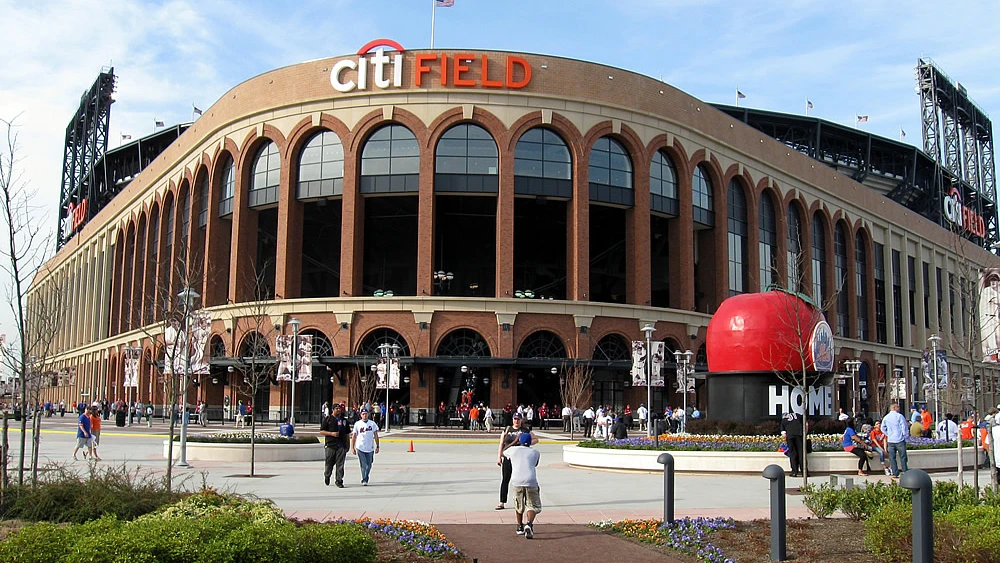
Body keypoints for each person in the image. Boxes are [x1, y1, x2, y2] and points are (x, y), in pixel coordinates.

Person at [503, 431, 541, 539]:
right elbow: (535, 464)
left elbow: (503, 451)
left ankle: (520, 526)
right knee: (532, 505)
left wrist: (514, 441)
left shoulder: (513, 450)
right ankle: (529, 523)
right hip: (531, 480)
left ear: (519, 441)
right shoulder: (535, 452)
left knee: (518, 504)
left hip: (517, 480)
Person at [496, 412, 537, 510]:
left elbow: (536, 439)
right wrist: (499, 456)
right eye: (515, 419)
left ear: (521, 420)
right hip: (508, 458)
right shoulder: (507, 429)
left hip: (519, 459)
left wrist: (526, 442)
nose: (516, 421)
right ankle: (502, 501)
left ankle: (525, 501)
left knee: (522, 479)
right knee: (505, 479)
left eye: (518, 419)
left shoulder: (524, 430)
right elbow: (501, 443)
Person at [319, 403, 350, 487]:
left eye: (339, 408)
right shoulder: (328, 419)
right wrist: (331, 433)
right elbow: (322, 431)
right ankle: (327, 475)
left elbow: (347, 433)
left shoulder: (344, 420)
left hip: (341, 445)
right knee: (329, 464)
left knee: (340, 464)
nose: (338, 410)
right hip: (330, 445)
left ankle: (339, 480)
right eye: (336, 408)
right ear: (332, 410)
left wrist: (348, 445)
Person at [351, 408, 380, 486]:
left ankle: (366, 476)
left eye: (366, 414)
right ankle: (365, 479)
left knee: (369, 464)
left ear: (368, 414)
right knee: (363, 464)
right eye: (363, 414)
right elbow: (354, 436)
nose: (365, 415)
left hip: (370, 448)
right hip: (360, 447)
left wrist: (377, 446)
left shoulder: (372, 424)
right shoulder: (357, 424)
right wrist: (352, 447)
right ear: (361, 415)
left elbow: (376, 435)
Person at [881, 403, 910, 477]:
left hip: (891, 440)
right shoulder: (899, 416)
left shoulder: (886, 417)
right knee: (903, 457)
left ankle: (895, 472)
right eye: (898, 407)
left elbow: (882, 428)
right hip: (899, 439)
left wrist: (888, 434)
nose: (899, 408)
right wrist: (904, 435)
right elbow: (904, 426)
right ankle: (905, 471)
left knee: (892, 458)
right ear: (894, 408)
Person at [780, 410, 806, 477]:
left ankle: (794, 472)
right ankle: (804, 472)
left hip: (790, 436)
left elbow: (784, 434)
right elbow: (806, 423)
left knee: (793, 454)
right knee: (801, 453)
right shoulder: (798, 415)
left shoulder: (784, 420)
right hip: (799, 435)